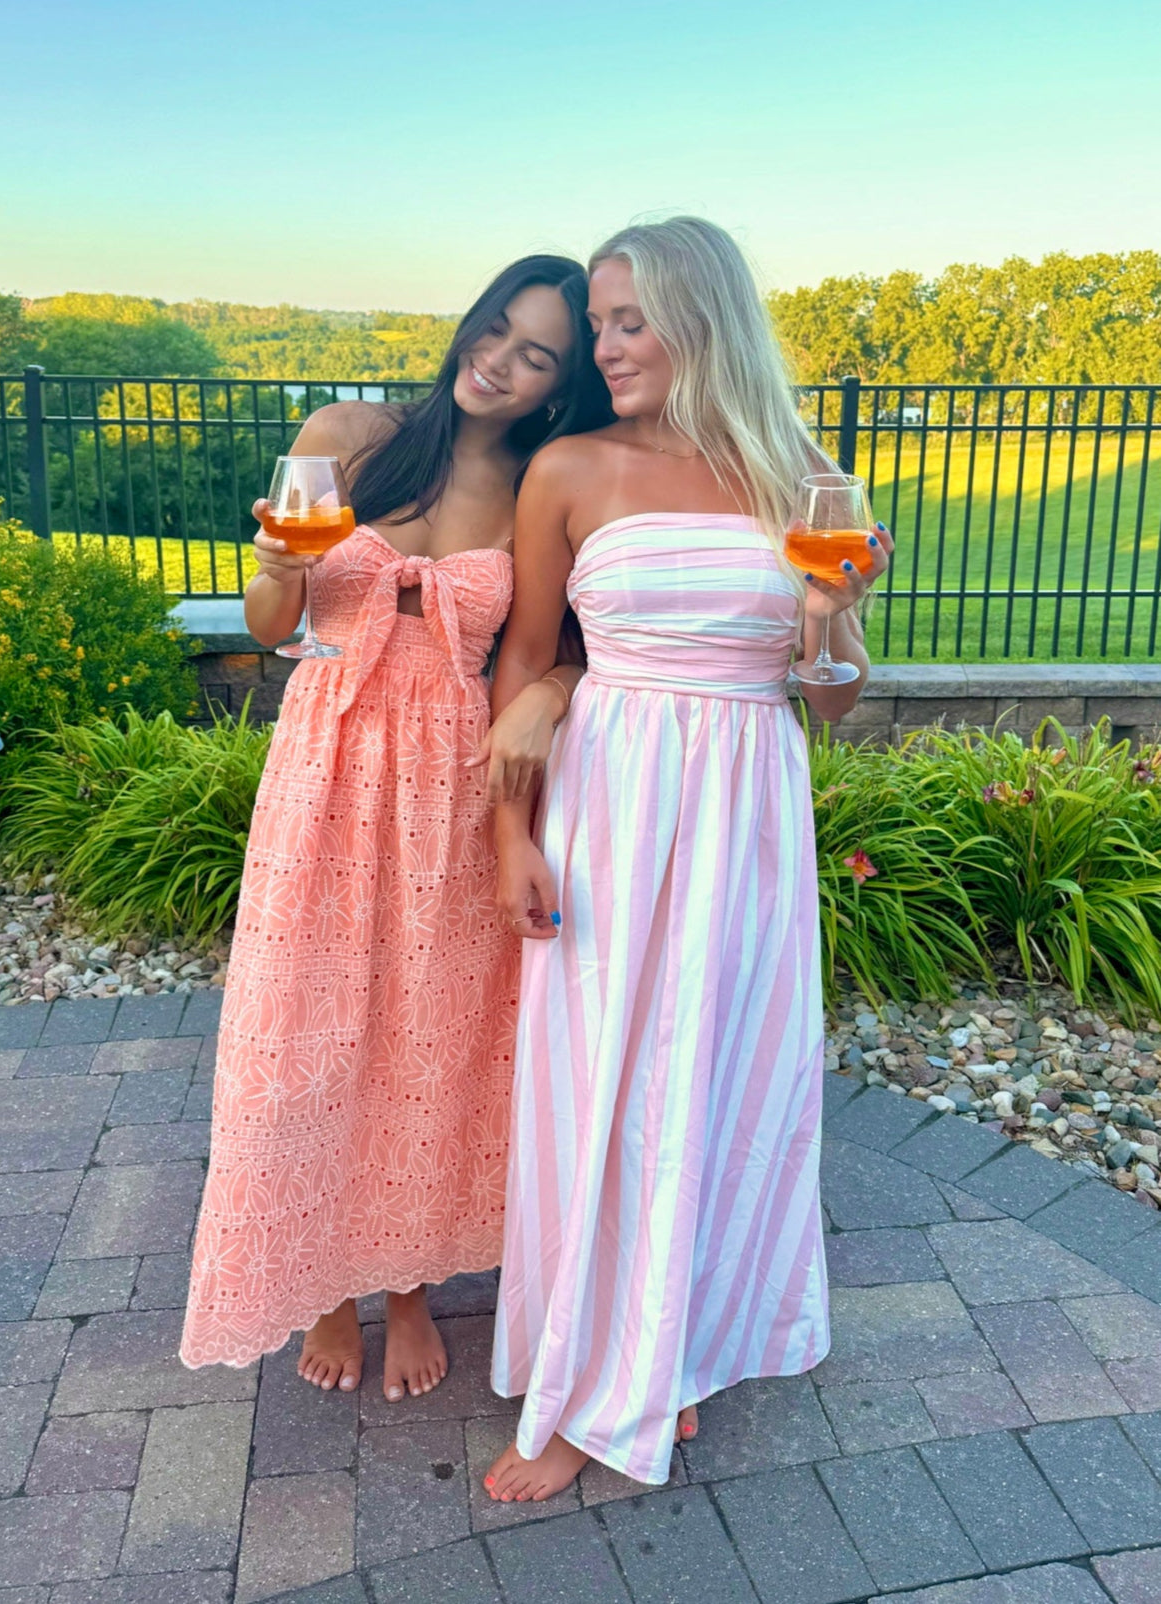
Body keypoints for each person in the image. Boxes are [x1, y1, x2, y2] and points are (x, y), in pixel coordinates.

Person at [484, 217, 893, 1499]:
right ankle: (576, 1384)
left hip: (744, 810)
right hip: (607, 802)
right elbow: (525, 658)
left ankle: (671, 1346)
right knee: (597, 1082)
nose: (603, 348)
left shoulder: (799, 475)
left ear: (700, 320)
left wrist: (826, 620)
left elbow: (832, 700)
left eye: (629, 321)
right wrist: (508, 832)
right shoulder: (567, 468)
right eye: (596, 325)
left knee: (716, 1079)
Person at [181, 255, 612, 1403]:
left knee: (429, 1033)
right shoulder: (349, 433)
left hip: (450, 781)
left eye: (536, 355)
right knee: (303, 1031)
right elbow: (272, 625)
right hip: (325, 765)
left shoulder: (534, 487)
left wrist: (546, 693)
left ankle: (408, 1282)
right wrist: (275, 567)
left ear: (560, 385)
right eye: (495, 330)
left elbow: (568, 648)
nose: (499, 362)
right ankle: (324, 1281)